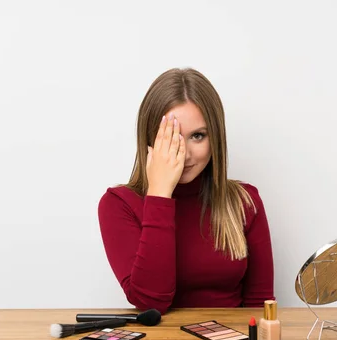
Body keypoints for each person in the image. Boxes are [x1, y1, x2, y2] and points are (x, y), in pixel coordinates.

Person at [97, 68, 275, 314]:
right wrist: (159, 193)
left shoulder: (245, 201)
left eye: (198, 136)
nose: (185, 154)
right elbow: (150, 303)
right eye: (172, 138)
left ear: (216, 139)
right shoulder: (119, 204)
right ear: (150, 140)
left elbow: (260, 305)